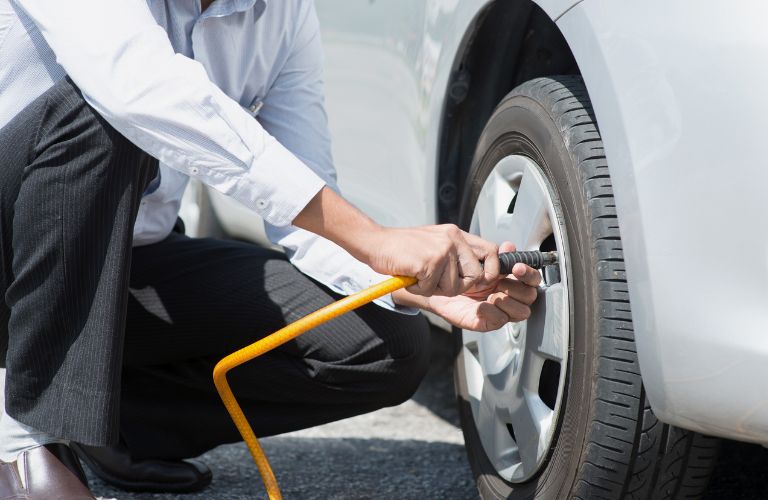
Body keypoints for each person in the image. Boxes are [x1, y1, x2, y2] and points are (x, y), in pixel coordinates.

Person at [0, 0, 541, 497]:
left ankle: (96, 424)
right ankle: (24, 444)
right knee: (103, 114)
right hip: (11, 255)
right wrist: (375, 240)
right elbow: (138, 89)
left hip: (112, 270)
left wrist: (416, 290)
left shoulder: (281, 15)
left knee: (384, 341)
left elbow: (306, 208)